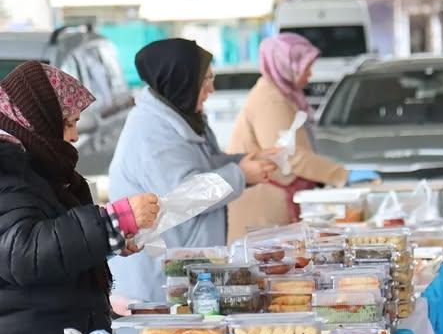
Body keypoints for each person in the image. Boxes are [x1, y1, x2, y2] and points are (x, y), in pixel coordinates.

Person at [0, 61, 159, 334]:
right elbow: (24, 252)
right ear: (37, 118)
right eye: (69, 123)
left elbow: (54, 241)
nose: (73, 136)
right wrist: (112, 222)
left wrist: (110, 239)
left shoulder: (35, 165)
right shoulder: (6, 168)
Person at [108, 38, 275, 306]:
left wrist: (246, 161)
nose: (211, 88)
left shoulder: (182, 116)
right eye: (205, 79)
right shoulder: (151, 132)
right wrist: (241, 174)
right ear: (180, 81)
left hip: (185, 270)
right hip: (157, 284)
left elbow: (204, 165)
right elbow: (186, 193)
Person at [227, 33, 377, 244]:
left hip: (276, 201)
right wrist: (341, 174)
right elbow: (288, 155)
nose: (310, 73)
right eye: (305, 66)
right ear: (285, 65)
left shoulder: (283, 95)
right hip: (264, 207)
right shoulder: (270, 100)